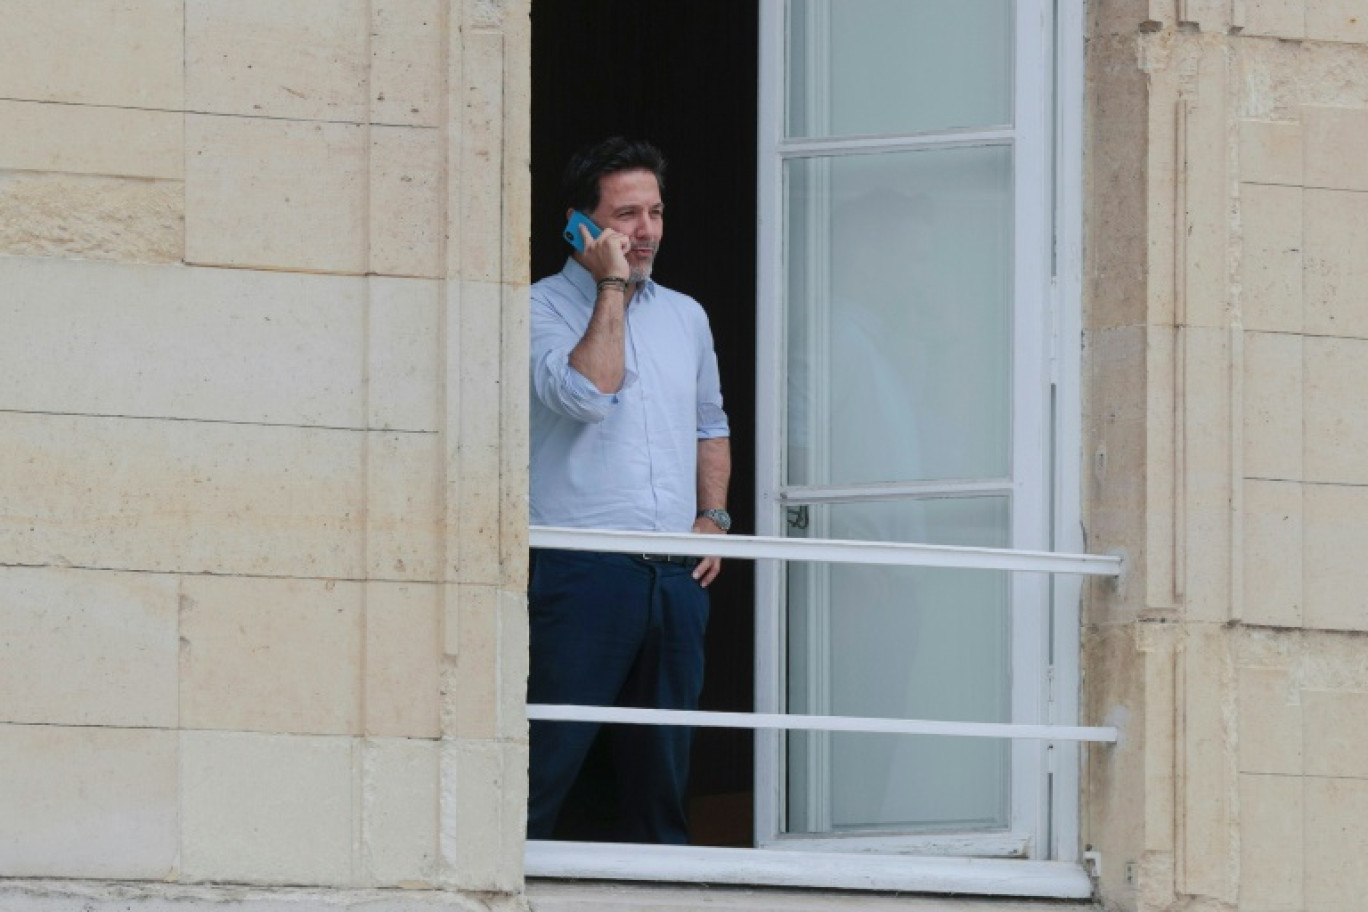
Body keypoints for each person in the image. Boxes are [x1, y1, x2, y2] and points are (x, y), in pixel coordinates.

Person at [526, 137, 731, 844]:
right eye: (626, 216)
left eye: (656, 212)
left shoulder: (687, 317)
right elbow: (588, 390)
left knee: (663, 779)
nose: (646, 232)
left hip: (675, 576)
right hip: (578, 571)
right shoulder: (539, 308)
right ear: (582, 226)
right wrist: (610, 286)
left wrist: (713, 516)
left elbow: (711, 423)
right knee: (544, 767)